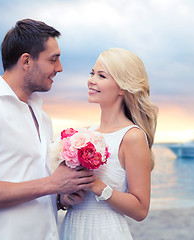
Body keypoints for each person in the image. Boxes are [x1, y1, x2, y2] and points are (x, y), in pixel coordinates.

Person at [0, 19, 94, 240]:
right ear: (26, 61)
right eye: (53, 59)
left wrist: (60, 197)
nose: (60, 68)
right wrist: (51, 184)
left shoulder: (41, 115)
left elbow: (35, 184)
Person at [60, 48, 158, 239]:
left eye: (101, 75)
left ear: (122, 87)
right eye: (92, 73)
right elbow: (72, 195)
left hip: (104, 231)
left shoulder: (132, 137)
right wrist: (68, 196)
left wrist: (97, 186)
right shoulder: (87, 133)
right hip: (72, 228)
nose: (91, 80)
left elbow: (140, 210)